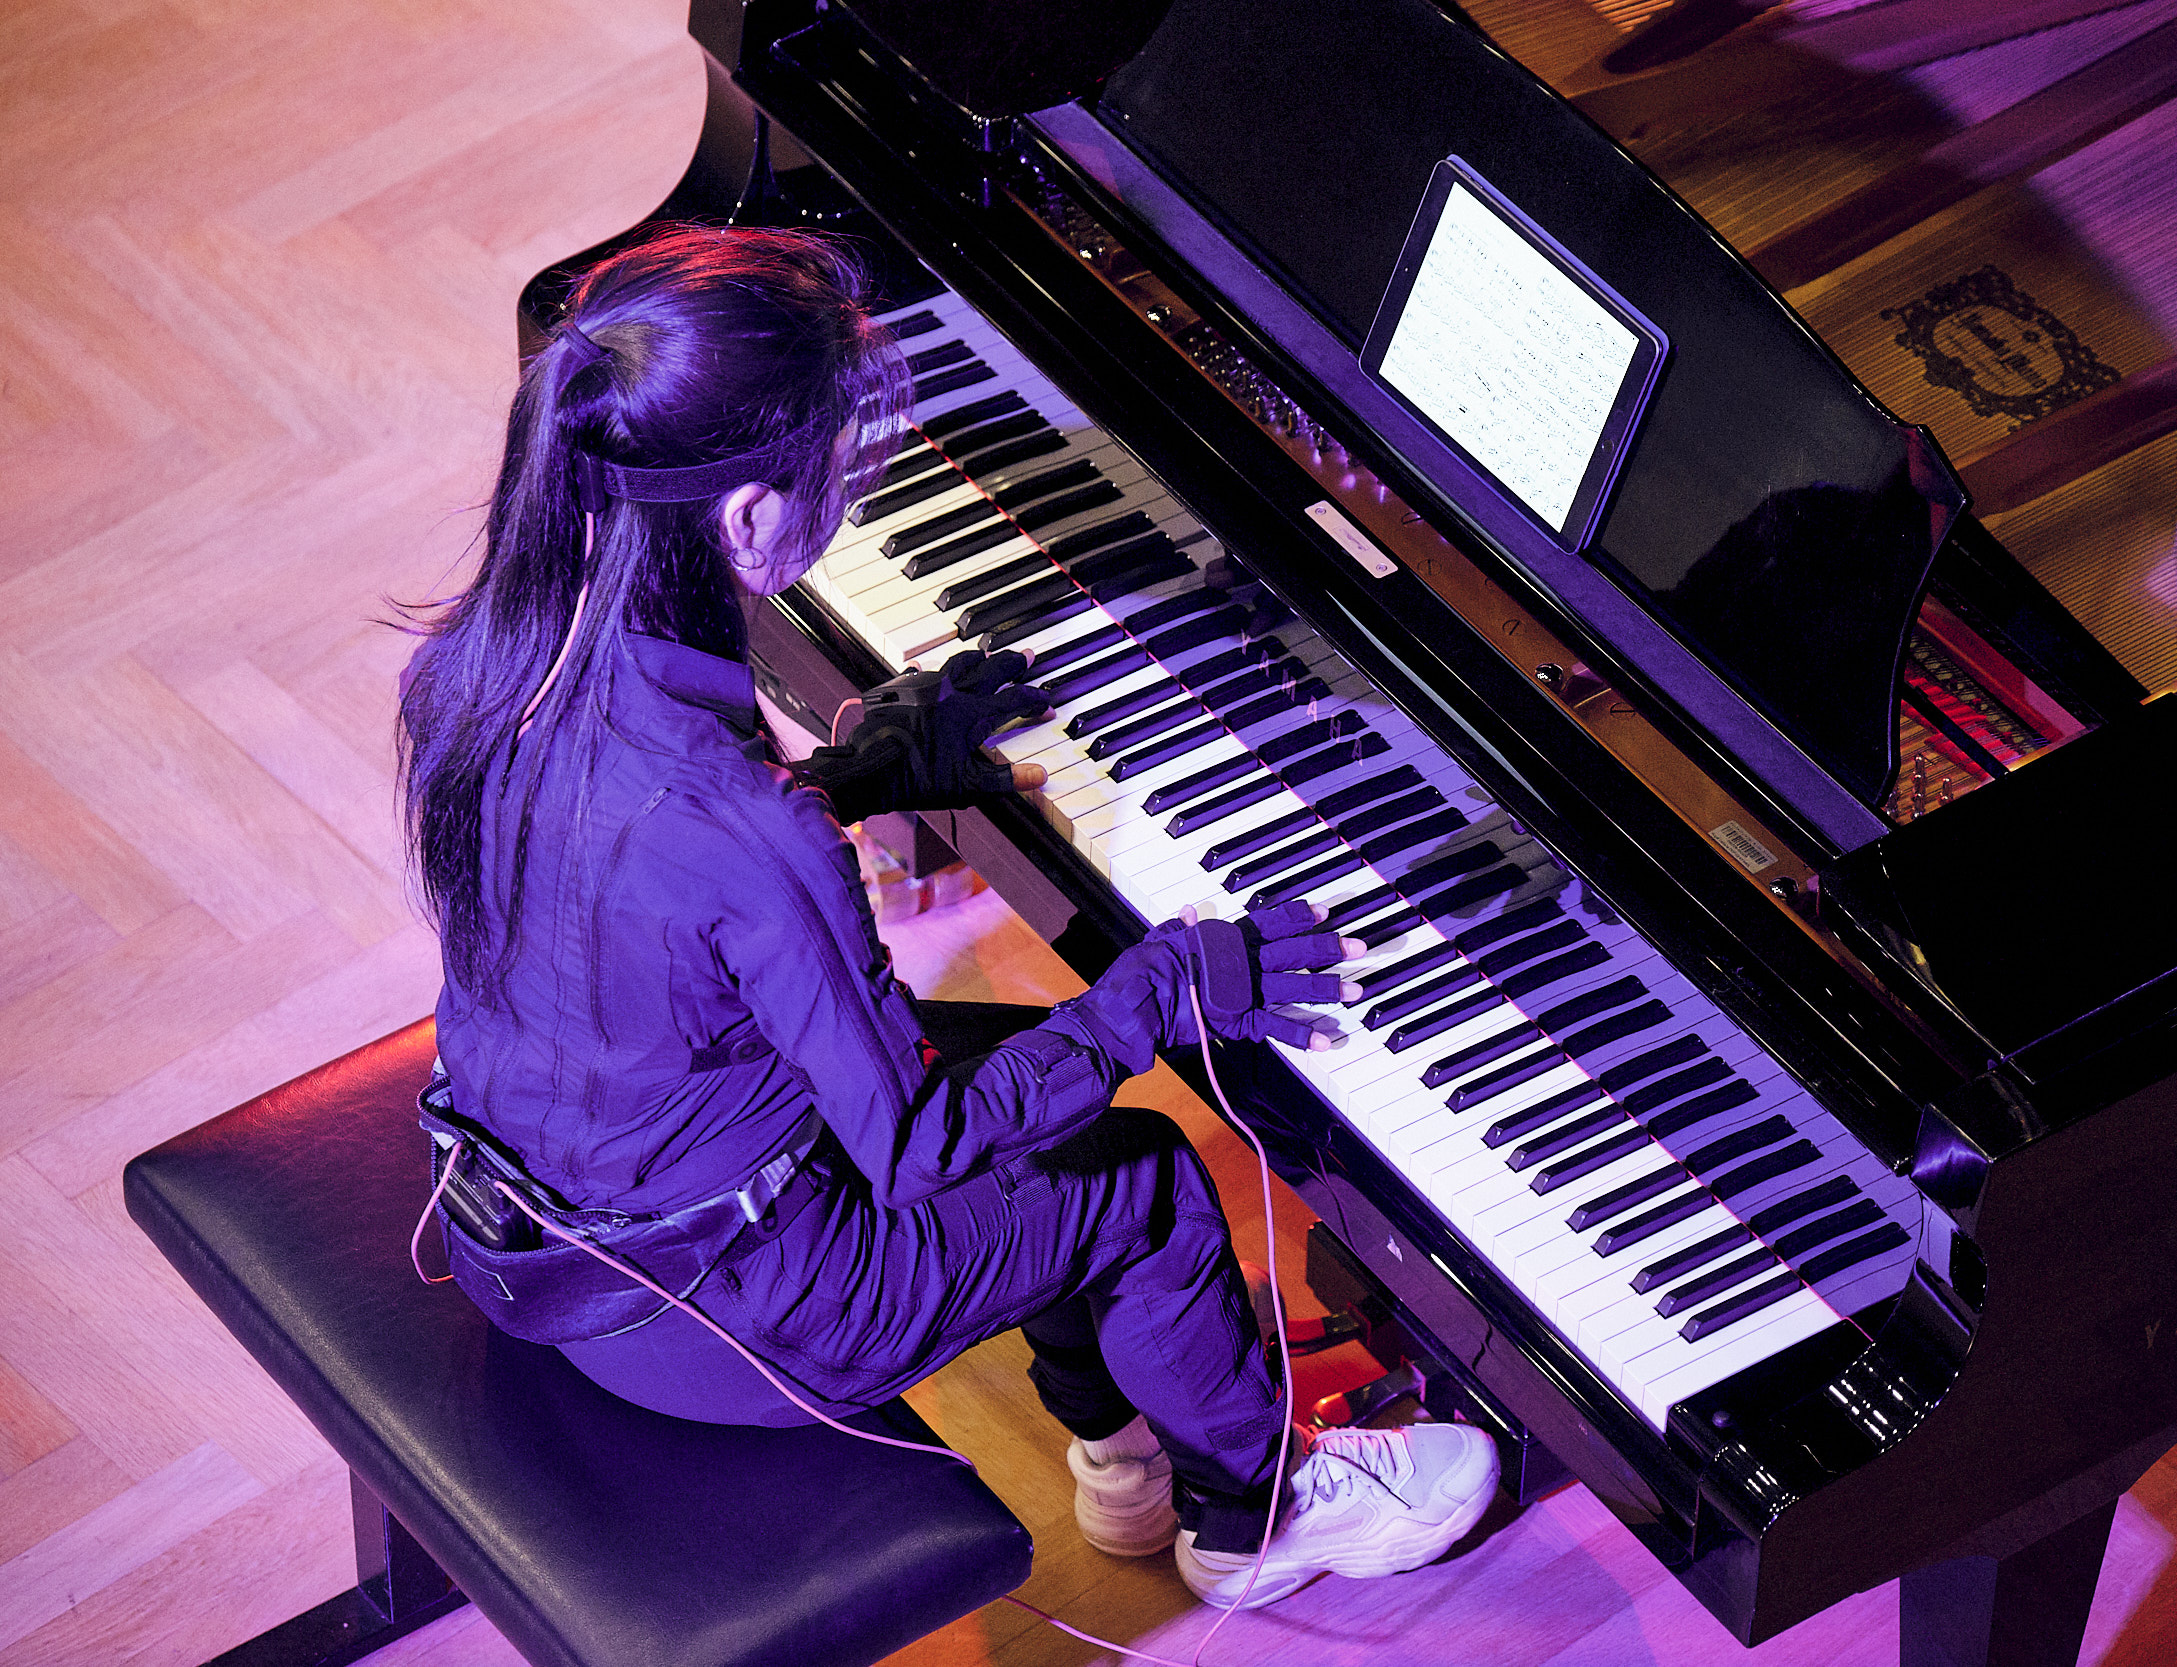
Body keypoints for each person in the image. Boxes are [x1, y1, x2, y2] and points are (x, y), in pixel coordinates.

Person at [395, 225, 1498, 1609]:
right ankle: (1256, 1516)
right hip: (722, 1319)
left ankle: (1122, 1455)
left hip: (544, 1236)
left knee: (1037, 1079)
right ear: (745, 521)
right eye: (841, 474)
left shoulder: (474, 665)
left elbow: (631, 904)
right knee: (1145, 1181)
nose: (849, 495)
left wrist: (863, 769)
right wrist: (1159, 989)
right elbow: (914, 1153)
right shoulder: (748, 834)